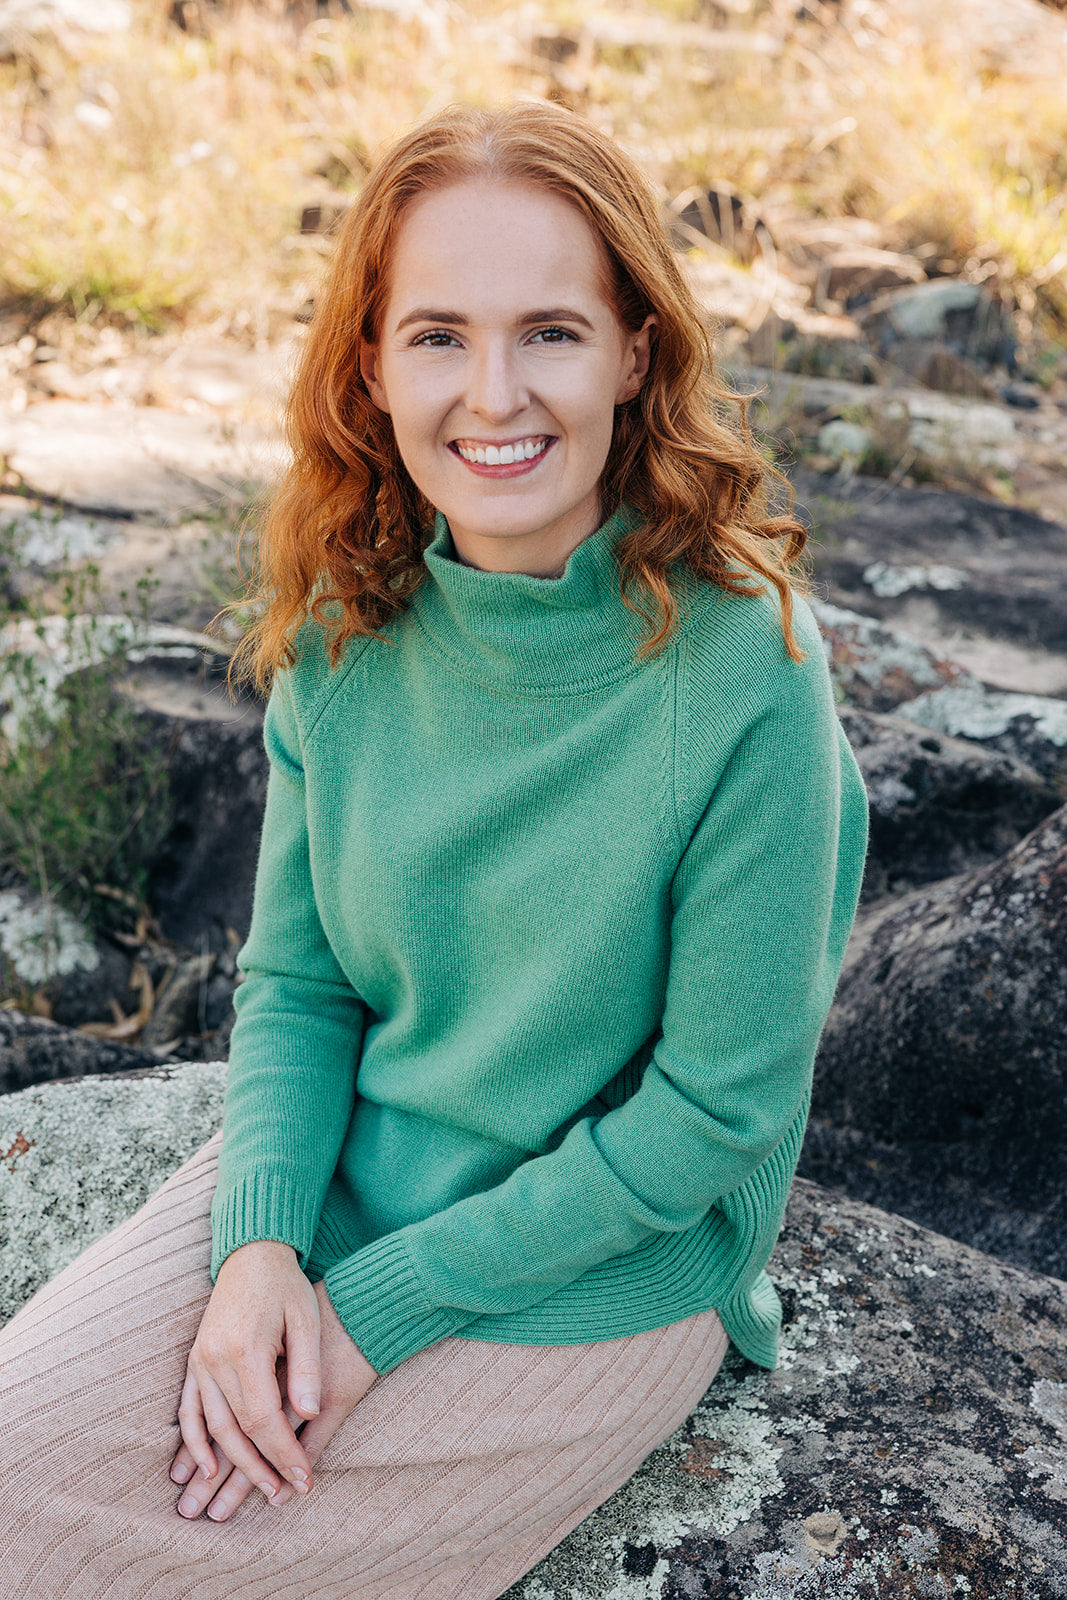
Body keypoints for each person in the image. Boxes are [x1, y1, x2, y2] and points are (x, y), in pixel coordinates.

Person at [0, 101, 867, 1599]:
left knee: (184, 1572)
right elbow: (300, 982)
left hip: (603, 1263)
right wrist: (260, 1250)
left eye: (550, 332)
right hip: (344, 1175)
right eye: (438, 337)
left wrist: (386, 1305)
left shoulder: (750, 673)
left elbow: (713, 1120)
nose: (494, 394)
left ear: (635, 354)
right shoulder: (346, 624)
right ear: (372, 367)